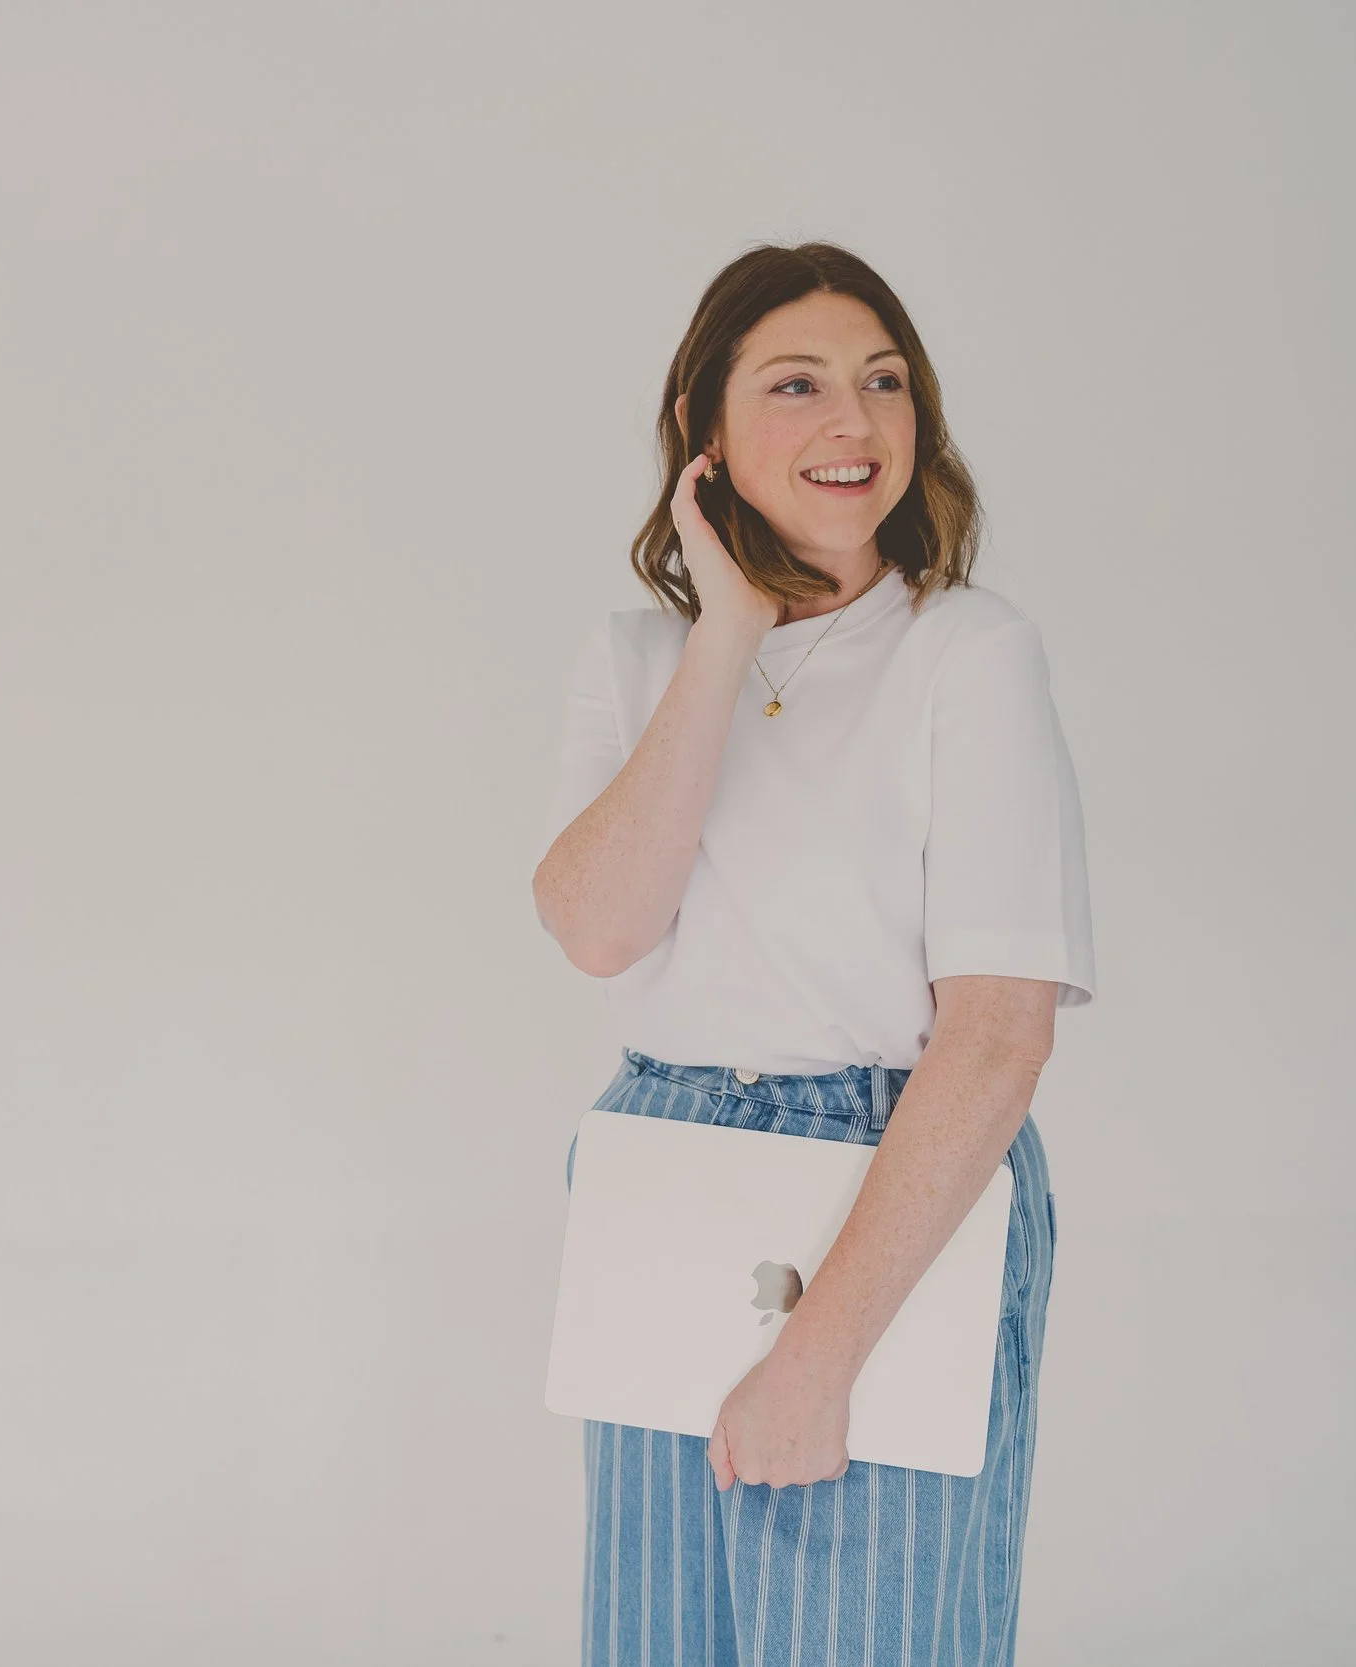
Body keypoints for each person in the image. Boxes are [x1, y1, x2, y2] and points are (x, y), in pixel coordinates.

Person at [531, 242, 1097, 1667]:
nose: (855, 423)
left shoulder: (968, 653)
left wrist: (821, 1352)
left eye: (884, 382)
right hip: (666, 1161)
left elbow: (998, 1033)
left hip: (889, 1174)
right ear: (705, 428)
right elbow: (600, 927)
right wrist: (728, 631)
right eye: (799, 385)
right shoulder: (638, 657)